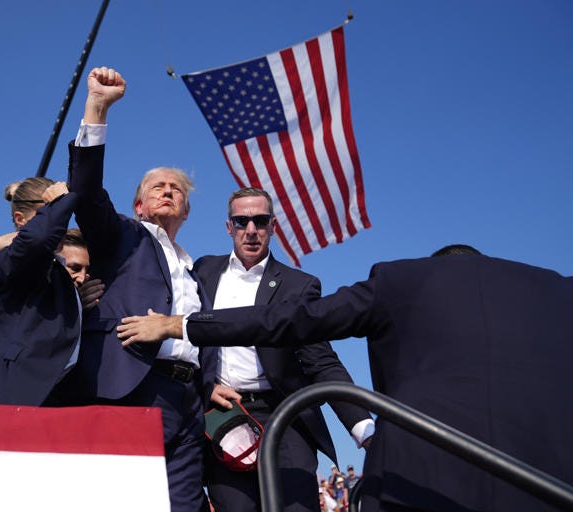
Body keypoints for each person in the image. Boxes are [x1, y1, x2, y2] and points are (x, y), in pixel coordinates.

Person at [116, 245, 573, 512]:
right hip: (550, 476)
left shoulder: (401, 280)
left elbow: (292, 325)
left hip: (422, 472)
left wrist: (182, 324)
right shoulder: (559, 291)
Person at [68, 66, 214, 512]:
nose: (168, 192)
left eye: (176, 189)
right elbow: (87, 194)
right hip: (134, 386)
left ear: (186, 209)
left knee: (183, 504)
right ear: (139, 204)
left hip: (190, 402)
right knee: (125, 500)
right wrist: (97, 108)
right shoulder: (123, 236)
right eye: (157, 187)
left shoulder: (196, 268)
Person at [194, 187, 374, 512]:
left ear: (273, 226)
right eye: (242, 221)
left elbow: (321, 361)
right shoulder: (203, 272)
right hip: (224, 415)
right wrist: (205, 387)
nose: (251, 230)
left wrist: (365, 430)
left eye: (260, 221)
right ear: (228, 226)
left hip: (285, 415)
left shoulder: (299, 285)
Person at [0, 178, 84, 406]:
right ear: (20, 220)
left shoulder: (57, 274)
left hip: (39, 398)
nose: (60, 222)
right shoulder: (13, 256)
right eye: (49, 212)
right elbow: (40, 238)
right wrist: (63, 200)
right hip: (3, 396)